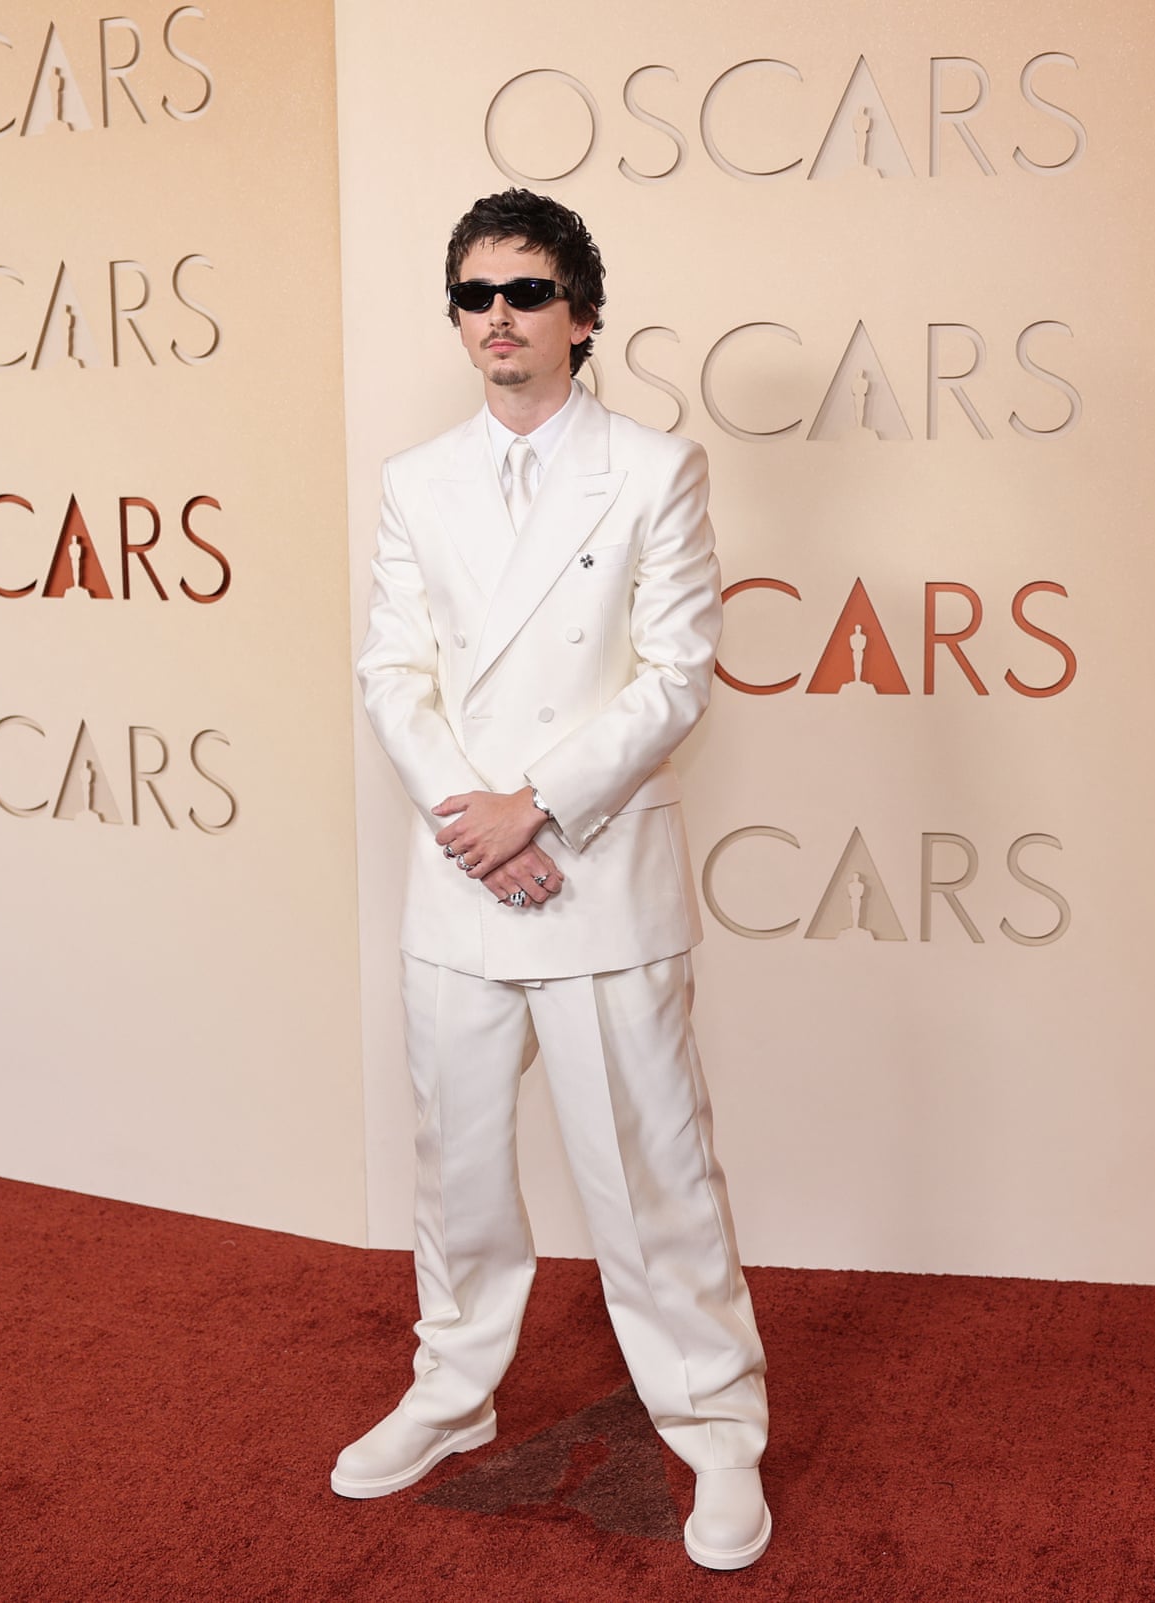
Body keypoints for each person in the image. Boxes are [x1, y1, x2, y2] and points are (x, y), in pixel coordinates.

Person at [335, 188, 770, 1571]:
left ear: (580, 313)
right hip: (462, 871)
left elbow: (678, 673)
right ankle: (453, 1396)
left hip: (594, 872)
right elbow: (392, 674)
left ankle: (716, 1432)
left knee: (651, 1182)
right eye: (474, 297)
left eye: (524, 293)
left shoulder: (654, 468)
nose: (498, 320)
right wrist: (479, 823)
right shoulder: (417, 481)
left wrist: (542, 810)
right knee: (456, 1173)